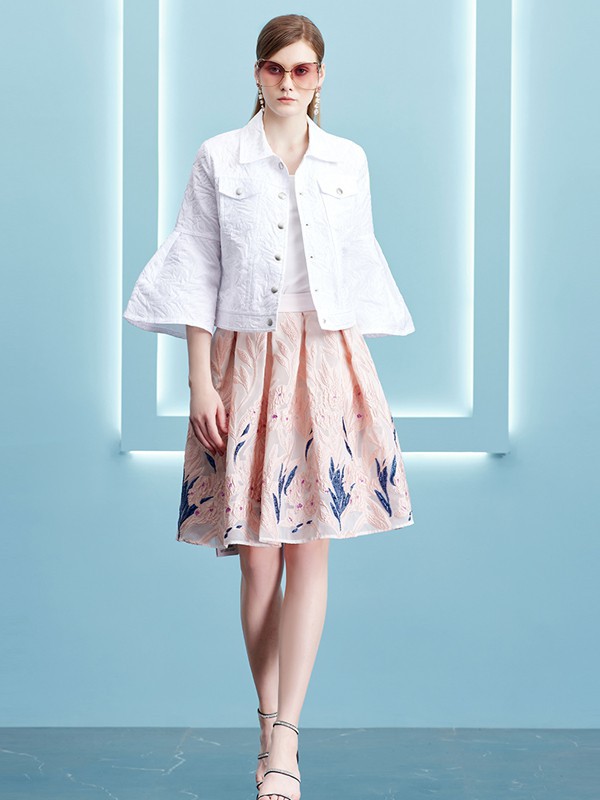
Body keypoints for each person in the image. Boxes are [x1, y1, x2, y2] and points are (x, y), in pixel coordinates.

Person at [123, 14, 415, 800]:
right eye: (276, 68)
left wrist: (355, 385)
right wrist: (200, 382)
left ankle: (284, 742)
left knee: (311, 548)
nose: (289, 82)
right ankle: (267, 724)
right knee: (257, 558)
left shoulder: (348, 160)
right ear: (257, 73)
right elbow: (196, 267)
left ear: (321, 77)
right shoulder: (220, 157)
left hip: (325, 359)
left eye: (304, 69)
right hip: (244, 361)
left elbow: (355, 264)